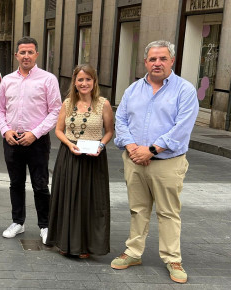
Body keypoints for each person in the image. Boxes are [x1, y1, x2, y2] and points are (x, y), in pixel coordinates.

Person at [111, 40, 198, 284]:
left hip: (167, 162)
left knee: (168, 212)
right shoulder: (133, 89)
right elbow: (121, 120)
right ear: (145, 62)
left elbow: (182, 127)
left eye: (162, 59)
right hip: (134, 160)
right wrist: (131, 148)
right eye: (152, 59)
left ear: (172, 61)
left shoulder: (185, 90)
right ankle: (133, 252)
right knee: (137, 209)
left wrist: (150, 150)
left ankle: (172, 258)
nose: (157, 63)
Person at [0, 36, 61, 244]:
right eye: (22, 52)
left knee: (40, 184)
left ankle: (45, 225)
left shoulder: (47, 79)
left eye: (30, 52)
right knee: (15, 183)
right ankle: (18, 222)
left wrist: (35, 133)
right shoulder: (7, 80)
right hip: (12, 139)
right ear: (16, 55)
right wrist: (5, 131)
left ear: (36, 55)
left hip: (37, 141)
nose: (26, 56)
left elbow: (55, 111)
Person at [46, 64, 114, 258]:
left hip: (94, 158)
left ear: (94, 82)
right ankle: (66, 242)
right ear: (74, 83)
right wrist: (69, 144)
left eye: (88, 79)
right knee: (68, 199)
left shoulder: (103, 104)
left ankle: (86, 245)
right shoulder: (67, 104)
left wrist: (100, 146)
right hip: (70, 156)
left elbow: (109, 131)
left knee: (89, 201)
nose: (84, 83)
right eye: (80, 80)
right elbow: (59, 130)